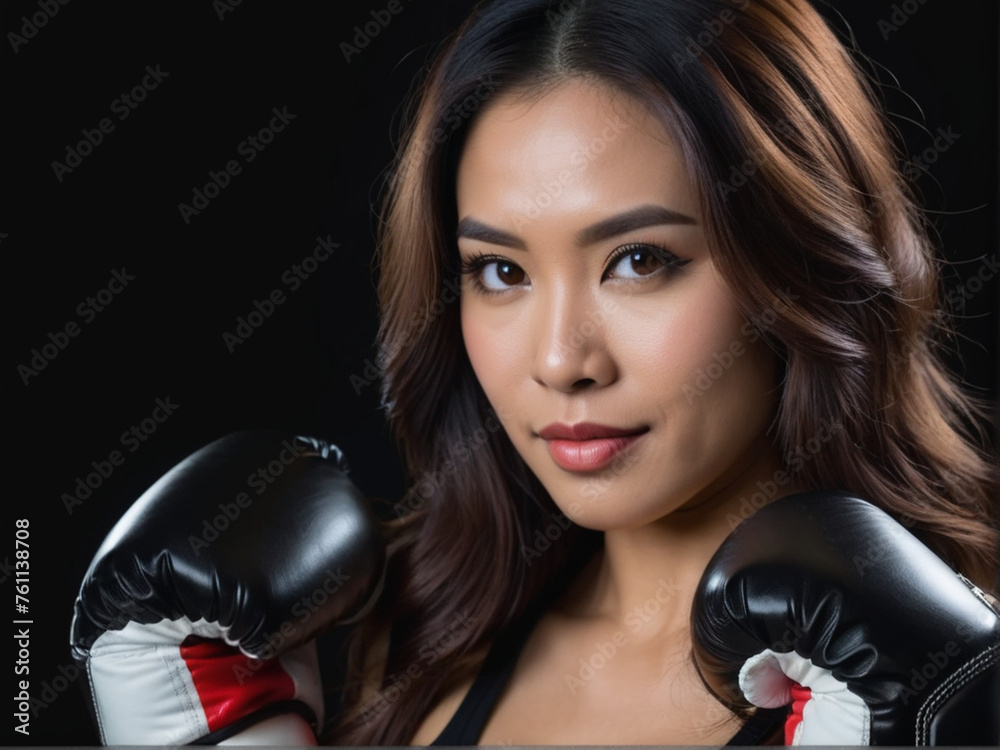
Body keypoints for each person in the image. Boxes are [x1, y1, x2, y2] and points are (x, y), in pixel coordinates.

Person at [70, 0, 999, 745]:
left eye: (639, 260)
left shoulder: (940, 681)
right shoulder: (412, 639)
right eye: (500, 272)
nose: (561, 361)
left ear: (794, 263)